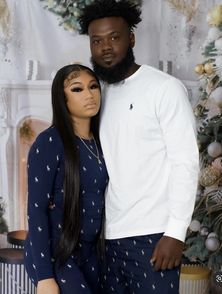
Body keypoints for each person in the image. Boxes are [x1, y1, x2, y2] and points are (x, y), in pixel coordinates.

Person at [79, 1, 199, 293]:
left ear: (131, 38)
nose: (105, 47)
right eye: (97, 41)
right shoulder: (97, 96)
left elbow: (186, 161)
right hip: (107, 240)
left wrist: (175, 233)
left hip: (154, 238)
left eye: (114, 37)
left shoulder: (164, 88)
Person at [24, 64, 108, 294]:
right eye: (77, 89)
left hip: (90, 250)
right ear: (62, 98)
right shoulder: (49, 142)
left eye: (93, 87)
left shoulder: (102, 142)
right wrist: (44, 277)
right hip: (55, 252)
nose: (89, 95)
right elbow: (36, 209)